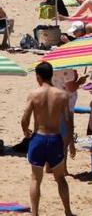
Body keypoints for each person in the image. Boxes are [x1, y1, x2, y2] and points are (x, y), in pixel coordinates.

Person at [21, 61, 76, 216]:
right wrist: (69, 142)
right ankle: (68, 211)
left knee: (35, 179)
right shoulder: (62, 95)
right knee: (60, 178)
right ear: (51, 75)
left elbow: (24, 119)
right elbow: (68, 121)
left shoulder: (33, 94)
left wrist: (26, 132)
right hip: (54, 139)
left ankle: (35, 213)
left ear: (38, 76)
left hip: (38, 138)